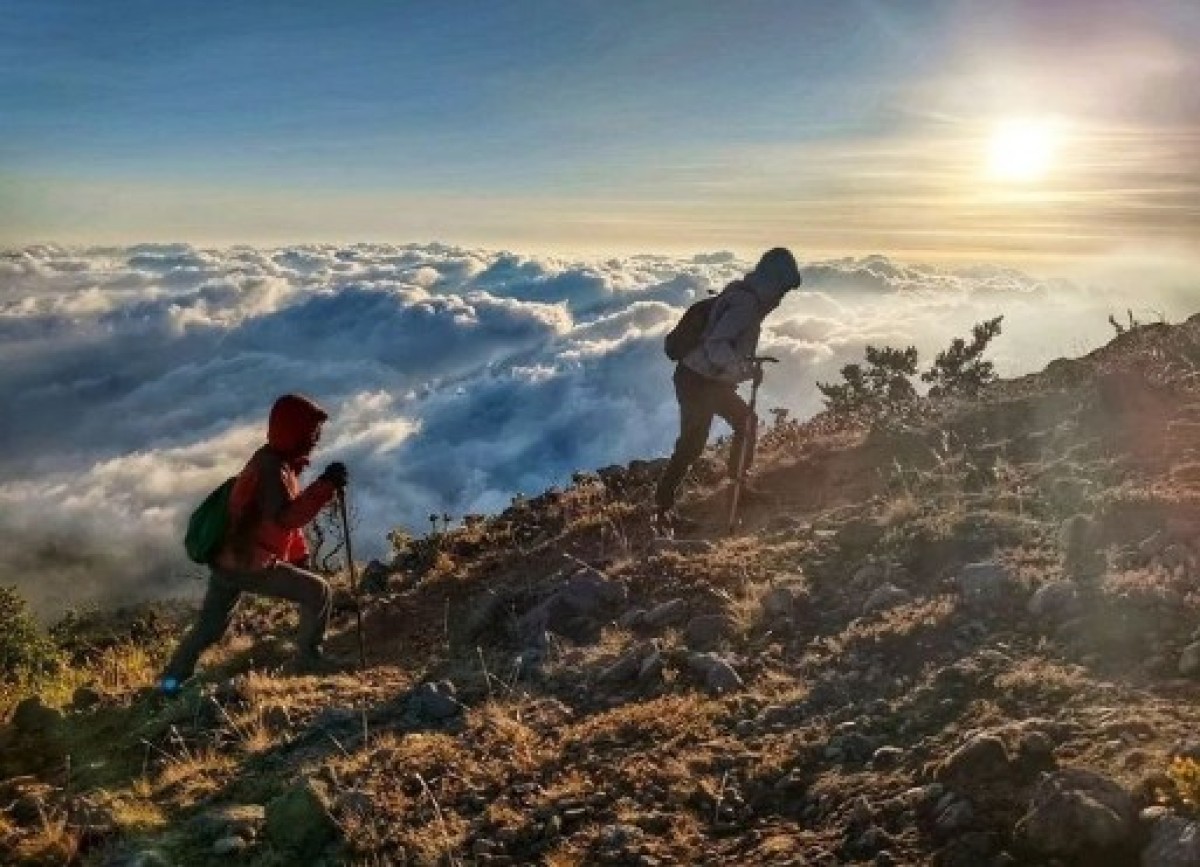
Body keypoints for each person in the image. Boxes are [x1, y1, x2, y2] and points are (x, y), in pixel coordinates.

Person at [160, 393, 348, 693]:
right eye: (311, 432)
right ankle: (309, 660)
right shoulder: (273, 470)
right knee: (317, 591)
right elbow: (285, 518)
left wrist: (300, 558)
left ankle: (171, 681)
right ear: (293, 431)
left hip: (227, 559)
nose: (316, 438)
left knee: (210, 628)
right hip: (250, 564)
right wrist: (325, 487)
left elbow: (278, 522)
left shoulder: (272, 461)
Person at [654, 247, 803, 526]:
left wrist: (746, 370)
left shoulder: (743, 296)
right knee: (692, 445)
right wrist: (742, 370)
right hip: (698, 382)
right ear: (772, 281)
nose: (781, 299)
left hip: (703, 379)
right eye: (782, 290)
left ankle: (738, 486)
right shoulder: (746, 305)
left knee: (745, 422)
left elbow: (723, 347)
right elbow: (716, 345)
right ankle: (663, 509)